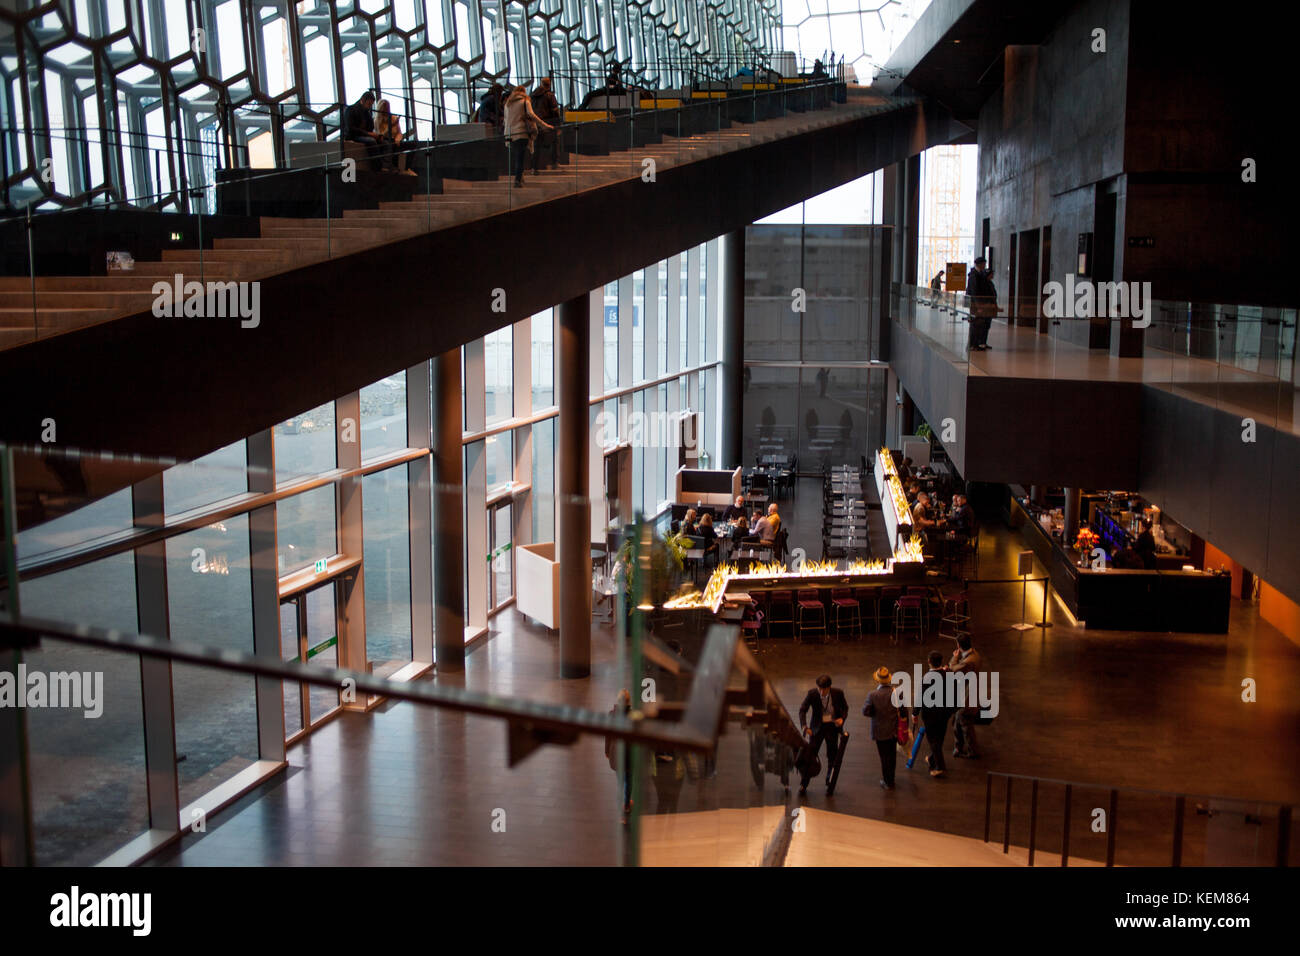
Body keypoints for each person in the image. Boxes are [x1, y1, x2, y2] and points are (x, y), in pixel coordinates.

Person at [797, 675, 848, 795]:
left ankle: (829, 782)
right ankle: (804, 785)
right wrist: (804, 726)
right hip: (816, 729)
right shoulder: (812, 694)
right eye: (819, 688)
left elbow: (845, 708)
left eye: (824, 689)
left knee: (832, 756)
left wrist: (842, 719)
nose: (821, 692)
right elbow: (802, 710)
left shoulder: (838, 693)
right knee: (810, 756)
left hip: (832, 728)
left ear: (829, 687)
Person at [863, 666, 907, 790]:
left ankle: (887, 781)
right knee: (892, 756)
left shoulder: (872, 695)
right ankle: (891, 779)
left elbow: (865, 711)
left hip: (879, 731)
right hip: (893, 730)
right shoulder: (897, 693)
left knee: (883, 756)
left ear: (878, 681)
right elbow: (903, 711)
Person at [504, 85, 552, 188]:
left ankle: (520, 177)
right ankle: (517, 180)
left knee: (516, 156)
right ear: (523, 92)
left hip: (509, 134)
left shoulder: (508, 103)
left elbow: (505, 120)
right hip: (521, 132)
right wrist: (544, 125)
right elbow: (531, 115)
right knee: (520, 157)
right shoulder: (525, 101)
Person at [917, 651, 954, 777]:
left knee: (933, 740)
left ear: (929, 662)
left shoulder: (926, 678)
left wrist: (915, 713)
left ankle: (940, 766)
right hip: (944, 713)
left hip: (931, 715)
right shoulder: (949, 674)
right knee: (939, 738)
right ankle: (933, 759)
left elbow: (920, 698)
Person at [948, 634, 984, 758]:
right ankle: (959, 747)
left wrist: (954, 657)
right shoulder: (975, 655)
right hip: (968, 694)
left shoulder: (969, 661)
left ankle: (972, 751)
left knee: (965, 723)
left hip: (968, 698)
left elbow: (953, 669)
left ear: (958, 645)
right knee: (957, 721)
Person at [605, 689, 633, 823]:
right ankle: (626, 805)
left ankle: (620, 812)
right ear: (629, 702)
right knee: (629, 781)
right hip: (629, 754)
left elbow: (608, 735)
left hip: (616, 753)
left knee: (619, 782)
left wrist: (607, 751)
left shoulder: (612, 715)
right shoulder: (633, 716)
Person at [344, 91, 390, 171]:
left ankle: (385, 166)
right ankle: (378, 167)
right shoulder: (350, 110)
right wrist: (369, 134)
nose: (370, 106)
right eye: (369, 104)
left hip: (363, 134)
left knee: (385, 143)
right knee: (371, 141)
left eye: (371, 105)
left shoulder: (366, 113)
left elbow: (370, 127)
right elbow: (351, 129)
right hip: (353, 135)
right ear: (363, 100)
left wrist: (374, 135)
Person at [374, 99, 414, 175]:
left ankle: (407, 167)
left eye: (387, 108)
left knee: (411, 145)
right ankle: (392, 167)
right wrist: (391, 125)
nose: (386, 110)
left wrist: (398, 139)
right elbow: (381, 135)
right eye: (384, 108)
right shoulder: (377, 120)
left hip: (395, 139)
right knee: (390, 145)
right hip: (385, 139)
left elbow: (399, 132)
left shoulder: (393, 118)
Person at [529, 78, 561, 172]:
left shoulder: (532, 95)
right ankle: (554, 163)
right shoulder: (549, 95)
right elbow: (554, 111)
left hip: (536, 122)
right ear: (549, 84)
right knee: (554, 141)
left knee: (537, 145)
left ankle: (534, 167)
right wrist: (558, 124)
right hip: (548, 122)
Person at [968, 256, 998, 351]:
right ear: (980, 264)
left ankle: (978, 343)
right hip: (977, 305)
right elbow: (974, 291)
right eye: (984, 264)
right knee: (976, 324)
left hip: (982, 304)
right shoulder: (974, 275)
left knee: (981, 324)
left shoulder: (980, 274)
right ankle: (973, 344)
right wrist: (978, 305)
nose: (985, 266)